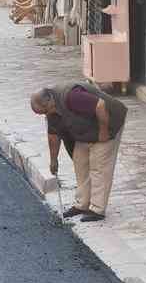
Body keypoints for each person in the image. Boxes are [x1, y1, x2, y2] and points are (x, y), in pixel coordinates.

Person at [31, 81, 128, 222]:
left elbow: (100, 105)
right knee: (80, 163)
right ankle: (82, 204)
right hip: (85, 129)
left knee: (99, 167)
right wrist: (53, 160)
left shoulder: (72, 96)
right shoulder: (51, 112)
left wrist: (103, 132)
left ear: (49, 101)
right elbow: (53, 136)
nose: (45, 116)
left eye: (44, 111)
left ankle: (97, 209)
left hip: (108, 121)